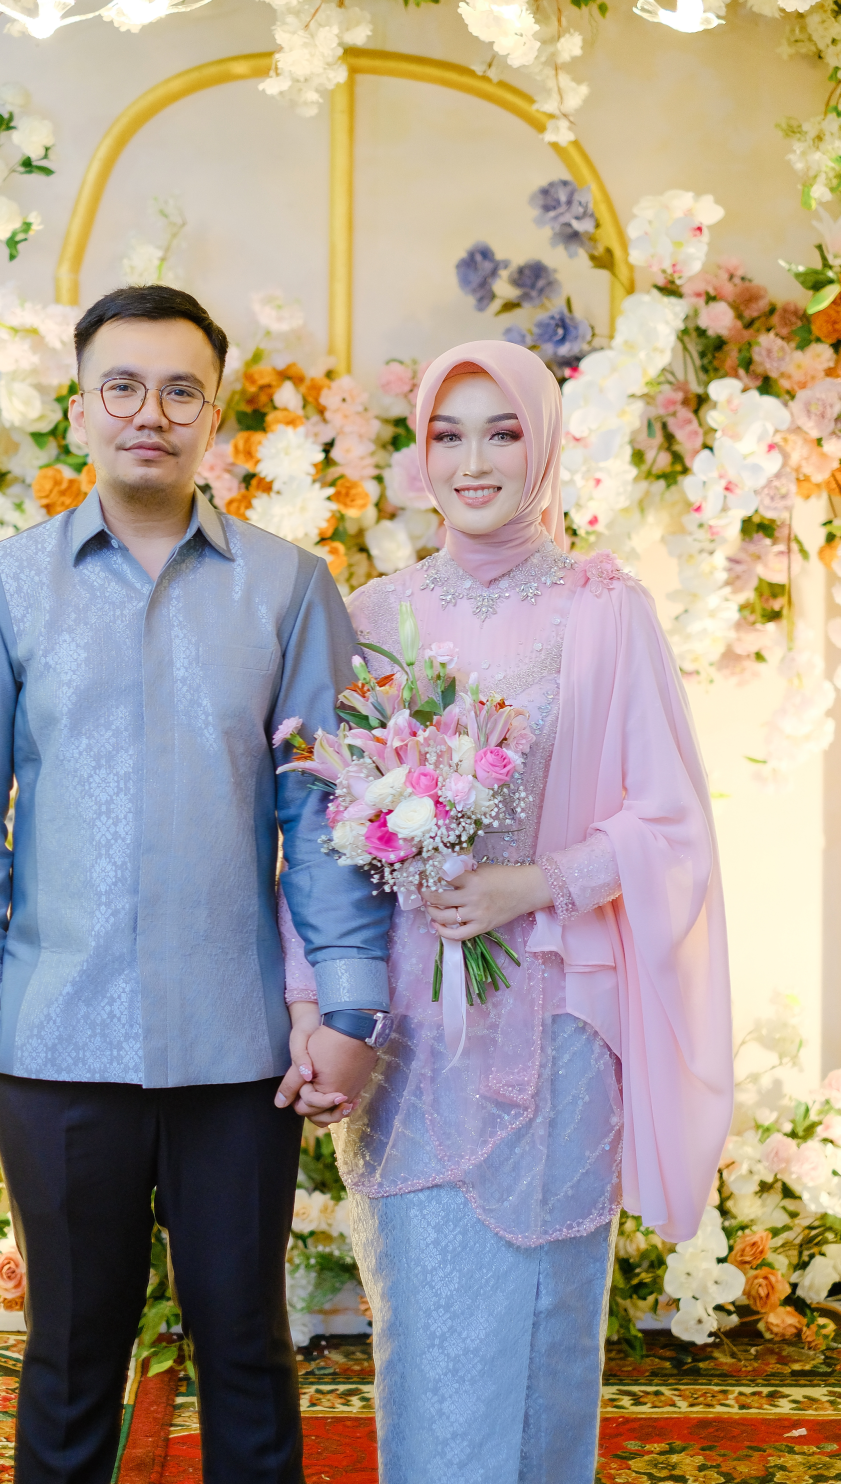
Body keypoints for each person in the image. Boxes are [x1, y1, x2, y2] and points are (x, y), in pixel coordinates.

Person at [0, 283, 394, 1484]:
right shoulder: (0, 586)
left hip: (238, 1049)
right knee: (71, 1352)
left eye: (181, 390)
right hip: (50, 1040)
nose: (151, 413)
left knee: (247, 1345)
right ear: (80, 407)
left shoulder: (288, 587)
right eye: (122, 386)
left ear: (214, 413)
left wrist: (345, 1003)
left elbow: (324, 809)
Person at [281, 340, 734, 1484]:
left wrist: (535, 881)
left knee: (544, 1331)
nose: (472, 461)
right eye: (448, 433)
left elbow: (671, 825)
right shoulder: (371, 613)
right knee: (425, 1330)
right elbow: (318, 833)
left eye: (502, 431)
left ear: (544, 446)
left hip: (556, 1031)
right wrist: (310, 1005)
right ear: (420, 452)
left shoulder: (606, 611)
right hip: (410, 1034)